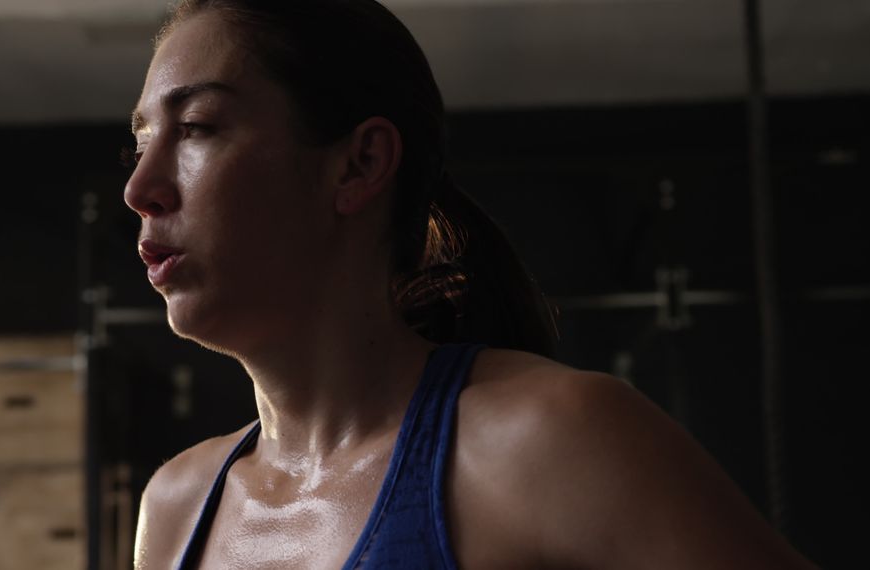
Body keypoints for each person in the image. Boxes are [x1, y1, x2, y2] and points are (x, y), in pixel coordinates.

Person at [124, 1, 817, 568]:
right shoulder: (177, 509)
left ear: (359, 164)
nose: (139, 188)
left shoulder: (550, 440)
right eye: (141, 141)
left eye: (196, 128)